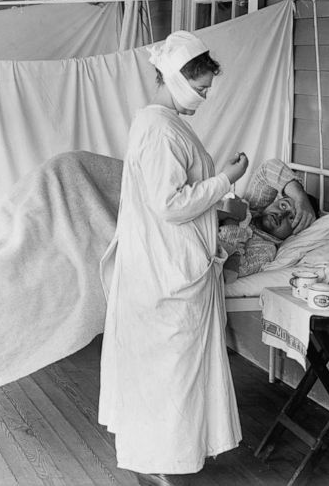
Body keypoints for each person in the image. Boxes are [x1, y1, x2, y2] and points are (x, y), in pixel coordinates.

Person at [99, 30, 249, 485]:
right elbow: (169, 204)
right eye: (200, 89)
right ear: (176, 80)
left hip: (167, 261)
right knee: (169, 369)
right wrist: (226, 179)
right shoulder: (159, 127)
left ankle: (167, 456)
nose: (204, 98)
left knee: (171, 367)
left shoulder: (164, 123)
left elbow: (168, 197)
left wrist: (220, 211)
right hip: (164, 270)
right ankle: (161, 463)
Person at [218, 159, 319, 278]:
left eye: (292, 218)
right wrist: (300, 197)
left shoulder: (266, 250)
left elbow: (230, 270)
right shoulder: (254, 206)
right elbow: (268, 168)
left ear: (295, 232)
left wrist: (232, 219)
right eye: (283, 205)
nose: (281, 215)